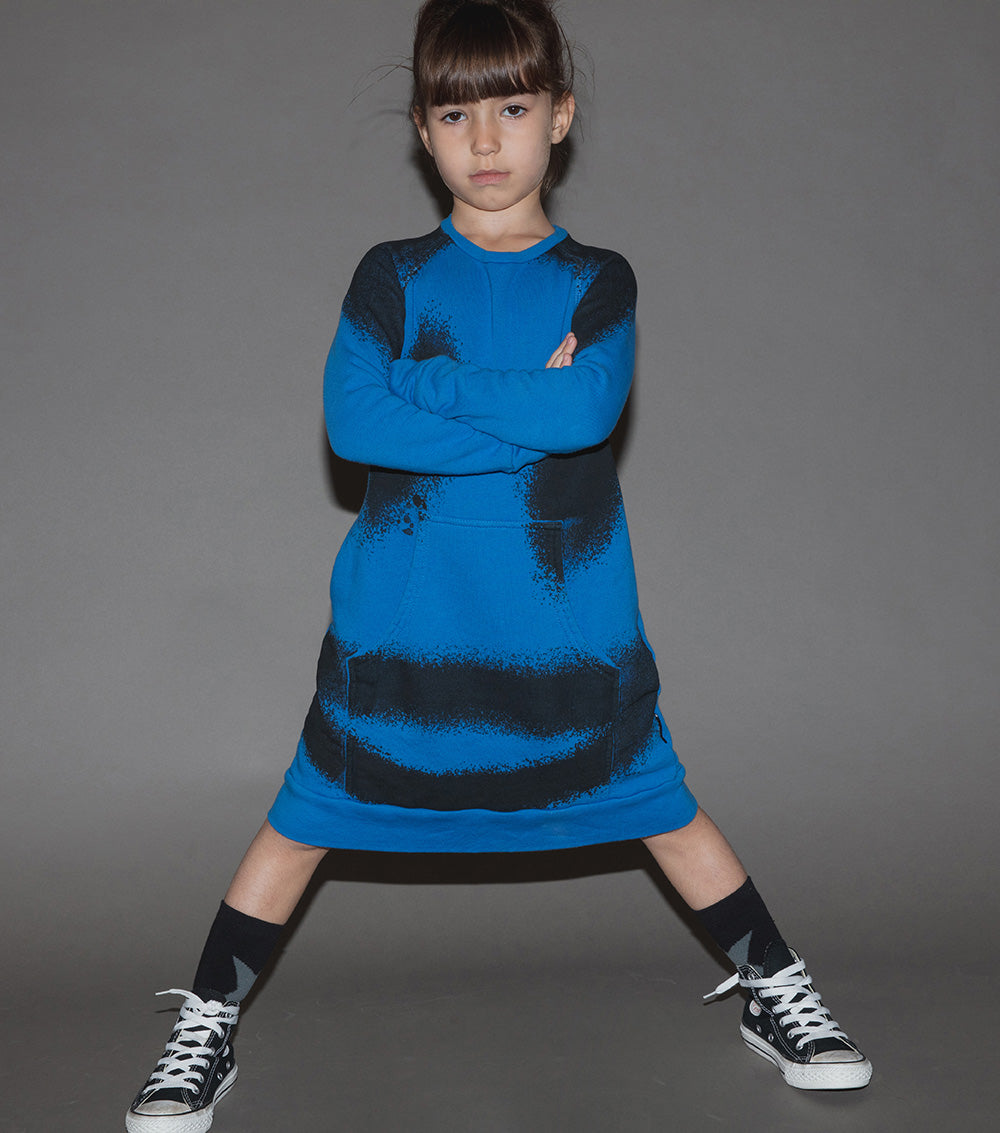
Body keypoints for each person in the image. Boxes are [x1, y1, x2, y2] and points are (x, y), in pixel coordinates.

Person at [125, 1, 871, 1129]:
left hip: (566, 629)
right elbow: (355, 423)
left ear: (559, 117)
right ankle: (207, 1025)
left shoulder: (598, 278)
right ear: (421, 131)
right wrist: (520, 408)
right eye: (453, 114)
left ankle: (778, 993)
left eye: (512, 109)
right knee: (306, 817)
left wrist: (425, 383)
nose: (483, 140)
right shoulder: (390, 274)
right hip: (402, 622)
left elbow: (586, 409)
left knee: (661, 805)